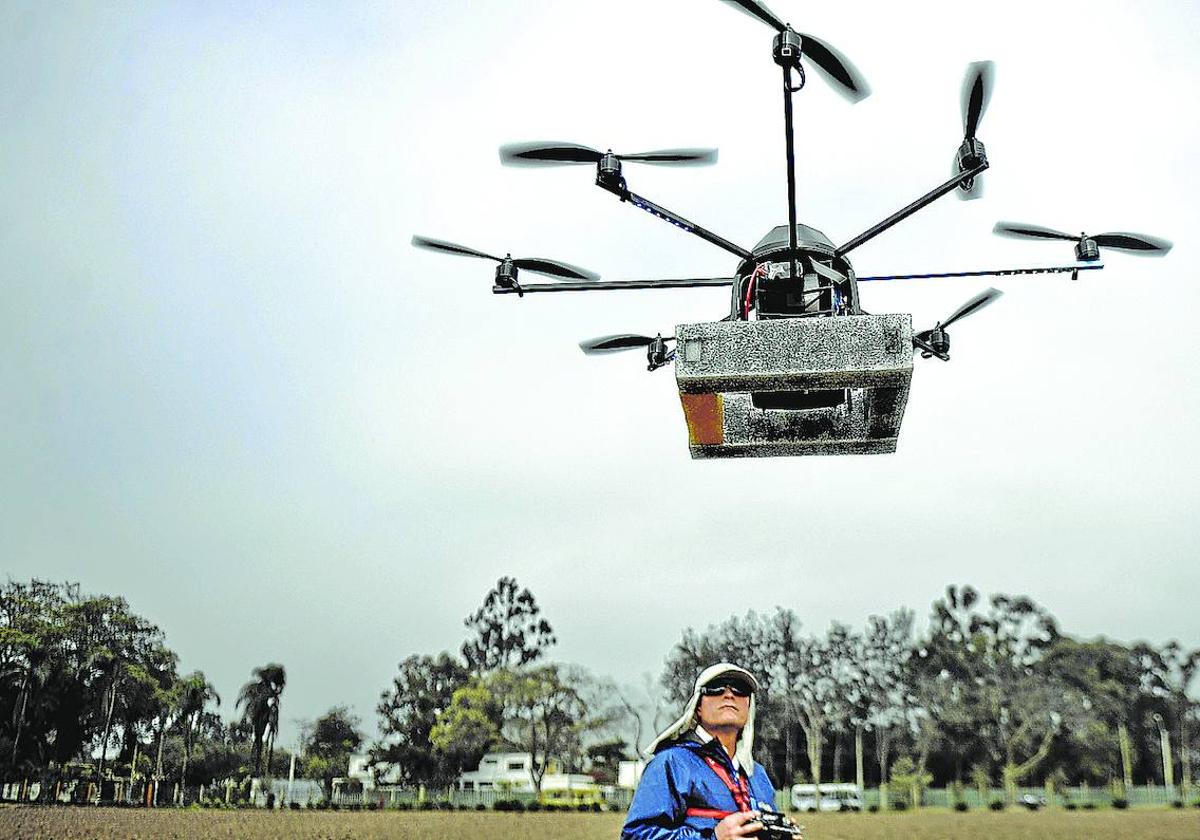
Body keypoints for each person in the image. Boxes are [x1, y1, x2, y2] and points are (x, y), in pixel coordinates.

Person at [622, 663, 796, 840]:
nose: (729, 695)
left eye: (740, 689)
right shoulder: (672, 763)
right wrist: (713, 837)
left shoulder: (757, 774)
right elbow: (636, 836)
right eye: (715, 688)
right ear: (698, 707)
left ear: (749, 706)